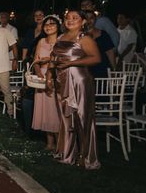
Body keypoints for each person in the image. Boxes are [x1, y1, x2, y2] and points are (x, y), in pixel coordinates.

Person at [47, 10, 101, 169]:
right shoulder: (61, 38)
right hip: (62, 81)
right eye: (67, 17)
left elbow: (96, 58)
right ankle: (67, 154)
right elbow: (53, 58)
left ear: (83, 21)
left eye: (75, 18)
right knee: (66, 119)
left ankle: (87, 157)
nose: (70, 20)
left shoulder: (84, 38)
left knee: (83, 118)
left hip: (79, 82)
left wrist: (71, 63)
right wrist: (50, 76)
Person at [31, 15, 62, 151]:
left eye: (52, 24)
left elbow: (62, 59)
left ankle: (60, 143)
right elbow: (36, 60)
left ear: (58, 26)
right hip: (42, 77)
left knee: (55, 110)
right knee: (44, 110)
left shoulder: (62, 40)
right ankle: (49, 143)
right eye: (46, 25)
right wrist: (39, 73)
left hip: (56, 76)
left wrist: (50, 59)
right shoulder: (41, 41)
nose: (48, 27)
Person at [85, 12, 116, 78]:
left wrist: (113, 70)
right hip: (85, 71)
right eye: (86, 18)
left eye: (91, 18)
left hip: (102, 70)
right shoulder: (78, 35)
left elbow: (110, 53)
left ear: (95, 19)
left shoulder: (103, 34)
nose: (89, 20)